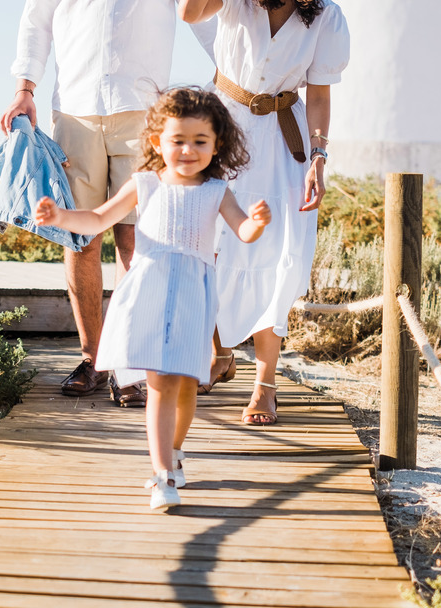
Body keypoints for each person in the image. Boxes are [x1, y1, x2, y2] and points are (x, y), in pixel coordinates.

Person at [0, 0, 214, 407]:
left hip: (147, 120)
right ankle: (94, 360)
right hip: (76, 114)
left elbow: (201, 13)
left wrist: (229, 84)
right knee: (79, 242)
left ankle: (134, 366)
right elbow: (36, 19)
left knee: (136, 244)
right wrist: (25, 86)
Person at [34, 87, 271, 511]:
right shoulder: (144, 183)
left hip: (195, 298)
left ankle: (175, 453)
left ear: (217, 144)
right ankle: (162, 475)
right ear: (158, 140)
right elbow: (99, 218)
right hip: (150, 290)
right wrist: (61, 217)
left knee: (184, 386)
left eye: (200, 141)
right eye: (177, 139)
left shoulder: (217, 191)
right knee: (160, 382)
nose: (187, 149)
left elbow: (243, 231)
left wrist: (256, 223)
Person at [179, 0, 349, 426]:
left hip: (283, 139)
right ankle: (216, 350)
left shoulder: (325, 16)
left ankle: (266, 381)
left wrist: (319, 157)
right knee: (211, 245)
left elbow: (319, 94)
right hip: (223, 129)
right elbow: (189, 11)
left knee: (279, 255)